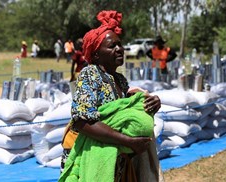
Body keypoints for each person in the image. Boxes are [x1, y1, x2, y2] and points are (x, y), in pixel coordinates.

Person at [59, 10, 163, 182]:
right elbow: (81, 121)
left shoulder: (120, 80)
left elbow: (124, 113)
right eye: (112, 46)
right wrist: (128, 142)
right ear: (97, 54)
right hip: (89, 153)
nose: (119, 49)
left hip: (112, 154)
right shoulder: (90, 74)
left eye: (120, 44)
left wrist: (150, 104)